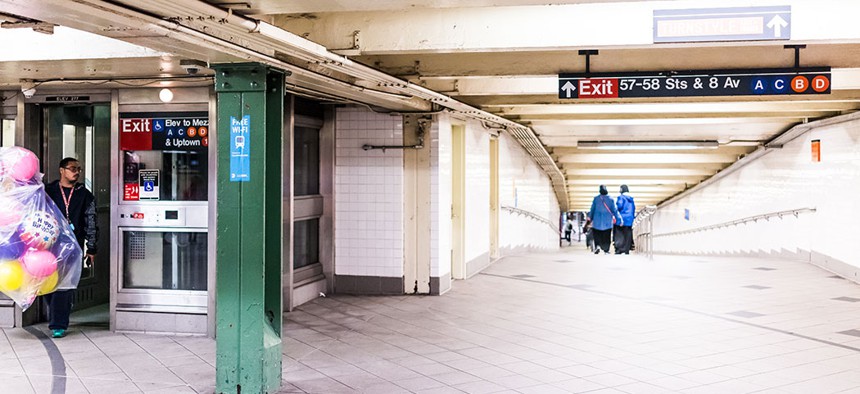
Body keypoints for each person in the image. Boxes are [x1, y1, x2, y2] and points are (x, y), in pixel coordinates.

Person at [44, 157, 98, 338]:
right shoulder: (49, 191)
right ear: (62, 170)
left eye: (79, 169)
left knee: (65, 286)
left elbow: (91, 220)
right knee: (49, 283)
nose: (76, 172)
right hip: (49, 245)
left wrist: (91, 248)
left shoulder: (84, 193)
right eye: (72, 168)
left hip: (73, 246)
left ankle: (58, 324)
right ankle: (58, 312)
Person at [588, 185, 622, 254]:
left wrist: (590, 218)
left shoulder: (596, 199)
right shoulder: (610, 199)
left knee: (597, 235)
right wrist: (619, 220)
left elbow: (592, 209)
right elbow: (615, 210)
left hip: (597, 221)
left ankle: (597, 246)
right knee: (606, 236)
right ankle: (606, 249)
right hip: (607, 222)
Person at [614, 184, 636, 254]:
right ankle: (626, 250)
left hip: (622, 218)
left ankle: (620, 249)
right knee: (628, 234)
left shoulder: (621, 197)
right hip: (629, 219)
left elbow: (619, 206)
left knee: (619, 233)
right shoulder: (631, 199)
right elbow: (633, 209)